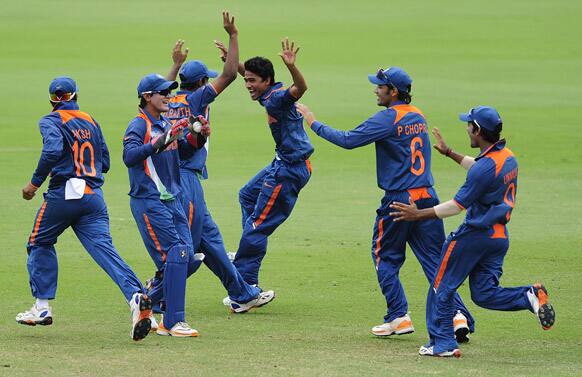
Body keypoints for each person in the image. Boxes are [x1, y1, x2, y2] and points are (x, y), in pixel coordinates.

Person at [295, 67, 474, 340]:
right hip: (427, 196)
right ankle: (455, 314)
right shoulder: (418, 115)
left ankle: (398, 316)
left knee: (385, 257)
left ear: (393, 91)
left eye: (380, 86)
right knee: (435, 261)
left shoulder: (388, 119)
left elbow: (348, 140)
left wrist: (312, 122)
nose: (375, 90)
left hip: (400, 199)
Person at [389, 106, 555, 357]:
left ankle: (442, 343)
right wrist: (449, 153)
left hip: (473, 236)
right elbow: (480, 168)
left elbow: (456, 206)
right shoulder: (507, 157)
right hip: (498, 238)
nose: (466, 127)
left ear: (477, 130)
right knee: (483, 293)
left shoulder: (483, 168)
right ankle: (528, 296)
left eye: (469, 125)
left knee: (441, 286)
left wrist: (417, 214)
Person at [151, 11, 275, 313]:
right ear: (202, 83)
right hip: (185, 179)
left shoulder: (167, 101)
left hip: (174, 175)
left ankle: (242, 294)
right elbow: (231, 74)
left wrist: (175, 65)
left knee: (211, 241)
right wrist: (233, 36)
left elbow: (155, 92)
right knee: (188, 247)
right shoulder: (197, 100)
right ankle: (151, 297)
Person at [18, 77, 153, 341]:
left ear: (52, 100)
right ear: (75, 96)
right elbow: (105, 162)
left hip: (64, 194)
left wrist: (34, 184)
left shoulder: (51, 120)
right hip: (93, 196)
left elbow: (52, 150)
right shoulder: (91, 120)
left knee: (39, 242)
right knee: (105, 250)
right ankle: (137, 297)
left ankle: (42, 307)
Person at [225, 38, 314, 288]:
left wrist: (292, 66)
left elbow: (301, 87)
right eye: (246, 80)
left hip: (289, 170)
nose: (247, 85)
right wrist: (235, 64)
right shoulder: (269, 93)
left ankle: (248, 285)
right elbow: (255, 79)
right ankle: (246, 252)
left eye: (252, 81)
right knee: (247, 196)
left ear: (266, 81)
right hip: (283, 162)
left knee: (257, 227)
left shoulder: (277, 99)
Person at [123, 73, 206, 337]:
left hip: (173, 199)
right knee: (178, 255)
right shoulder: (138, 125)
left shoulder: (164, 122)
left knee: (188, 259)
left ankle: (147, 299)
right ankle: (173, 321)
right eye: (163, 93)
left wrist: (198, 137)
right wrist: (161, 141)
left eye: (169, 92)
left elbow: (182, 152)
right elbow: (129, 156)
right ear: (147, 97)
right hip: (150, 200)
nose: (169, 97)